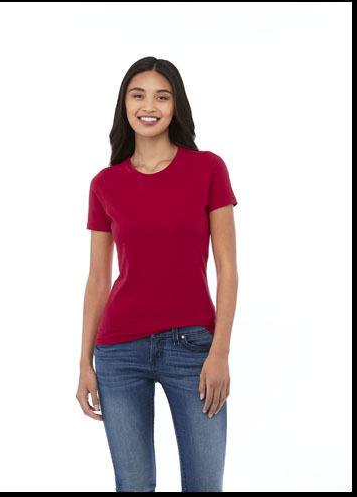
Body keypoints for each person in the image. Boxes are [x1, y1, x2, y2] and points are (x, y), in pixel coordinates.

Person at [76, 56, 238, 492]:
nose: (149, 106)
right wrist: (84, 362)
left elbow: (228, 269)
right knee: (133, 485)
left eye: (162, 97)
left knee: (204, 485)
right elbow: (98, 280)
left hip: (193, 349)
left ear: (175, 105)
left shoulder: (208, 169)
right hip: (118, 352)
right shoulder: (105, 184)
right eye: (138, 95)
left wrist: (220, 352)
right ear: (125, 104)